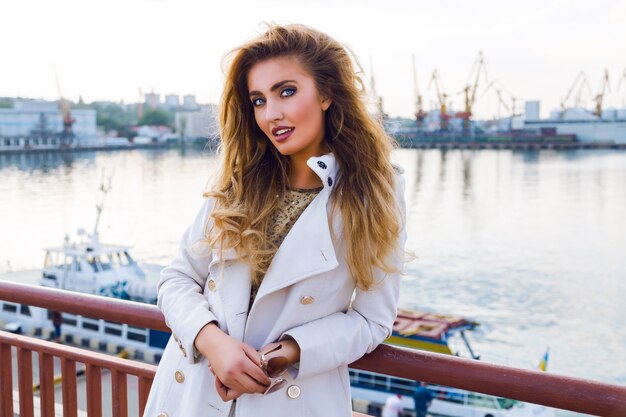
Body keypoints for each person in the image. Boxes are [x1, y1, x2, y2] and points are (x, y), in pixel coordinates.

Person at [143, 23, 407, 417]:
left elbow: (372, 319)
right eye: (258, 100)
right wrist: (211, 341)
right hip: (193, 394)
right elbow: (178, 277)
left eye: (286, 91)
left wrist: (295, 349)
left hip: (288, 396)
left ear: (327, 94)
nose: (271, 114)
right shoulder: (238, 180)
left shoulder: (374, 191)